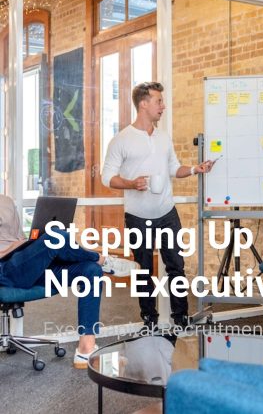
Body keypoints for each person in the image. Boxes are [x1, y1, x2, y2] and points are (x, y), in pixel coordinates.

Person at [101, 81, 213, 330]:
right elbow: (107, 177)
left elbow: (174, 168)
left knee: (176, 266)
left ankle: (181, 318)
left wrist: (195, 169)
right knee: (143, 270)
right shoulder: (121, 140)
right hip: (137, 216)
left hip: (166, 213)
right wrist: (131, 183)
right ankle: (149, 320)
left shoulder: (163, 138)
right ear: (143, 103)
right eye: (159, 101)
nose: (163, 106)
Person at [0, 194, 135, 368]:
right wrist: (14, 247)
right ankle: (102, 260)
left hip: (24, 263)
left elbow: (15, 239)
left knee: (90, 271)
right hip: (6, 270)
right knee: (56, 237)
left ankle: (86, 350)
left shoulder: (6, 200)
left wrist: (30, 243)